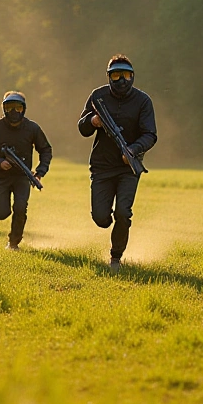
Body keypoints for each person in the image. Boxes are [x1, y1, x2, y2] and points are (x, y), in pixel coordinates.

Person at [77, 54, 157, 271]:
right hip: (102, 166)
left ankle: (116, 258)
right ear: (109, 77)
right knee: (101, 218)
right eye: (116, 75)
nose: (121, 80)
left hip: (128, 167)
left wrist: (133, 149)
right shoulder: (98, 96)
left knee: (123, 212)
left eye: (126, 75)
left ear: (133, 76)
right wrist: (92, 121)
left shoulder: (143, 101)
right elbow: (82, 127)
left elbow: (150, 134)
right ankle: (111, 235)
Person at [0, 92, 51, 250]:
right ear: (3, 109)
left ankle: (14, 242)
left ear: (24, 109)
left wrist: (39, 172)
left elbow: (45, 150)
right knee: (2, 213)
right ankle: (12, 238)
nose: (13, 111)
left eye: (18, 107)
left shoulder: (32, 128)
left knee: (20, 208)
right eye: (9, 107)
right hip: (1, 178)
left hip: (22, 177)